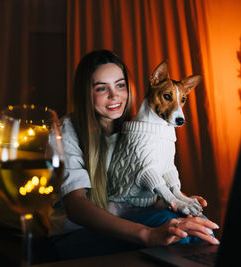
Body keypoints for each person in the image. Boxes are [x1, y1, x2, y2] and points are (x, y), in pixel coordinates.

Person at [48, 50, 220, 260]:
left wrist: (178, 203)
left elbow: (136, 198)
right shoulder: (67, 130)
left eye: (120, 85)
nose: (114, 96)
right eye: (102, 88)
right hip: (74, 237)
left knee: (197, 226)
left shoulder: (136, 129)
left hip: (129, 221)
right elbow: (76, 207)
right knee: (176, 230)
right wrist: (148, 234)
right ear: (85, 93)